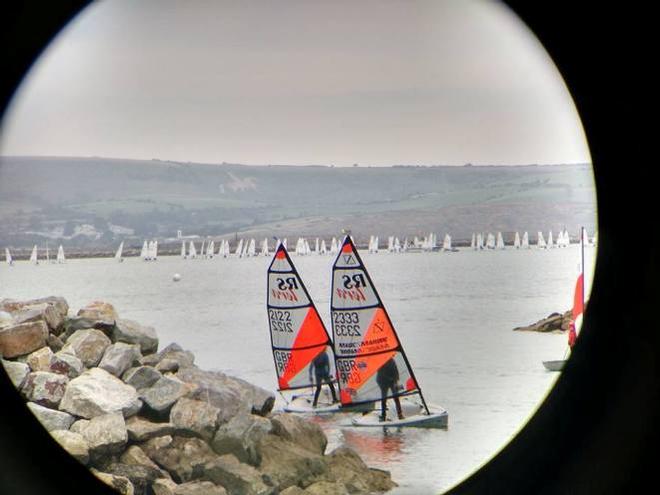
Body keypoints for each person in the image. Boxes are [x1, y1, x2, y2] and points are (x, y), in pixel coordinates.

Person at [376, 357, 404, 421]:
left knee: (396, 396)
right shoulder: (381, 360)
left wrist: (396, 381)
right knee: (384, 398)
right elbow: (380, 371)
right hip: (383, 381)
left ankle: (400, 414)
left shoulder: (391, 360)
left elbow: (396, 371)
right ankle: (383, 416)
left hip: (392, 381)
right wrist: (390, 379)